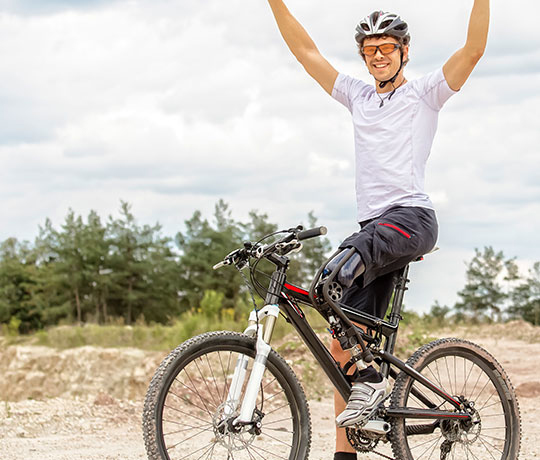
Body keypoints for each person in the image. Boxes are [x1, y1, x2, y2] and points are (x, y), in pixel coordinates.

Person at [266, 1, 490, 459]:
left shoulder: (424, 93)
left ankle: (373, 380)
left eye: (387, 47)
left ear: (404, 51)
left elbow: (473, 50)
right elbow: (306, 52)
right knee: (343, 344)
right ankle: (347, 449)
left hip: (410, 219)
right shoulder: (358, 96)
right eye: (370, 50)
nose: (378, 56)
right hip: (375, 233)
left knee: (333, 275)